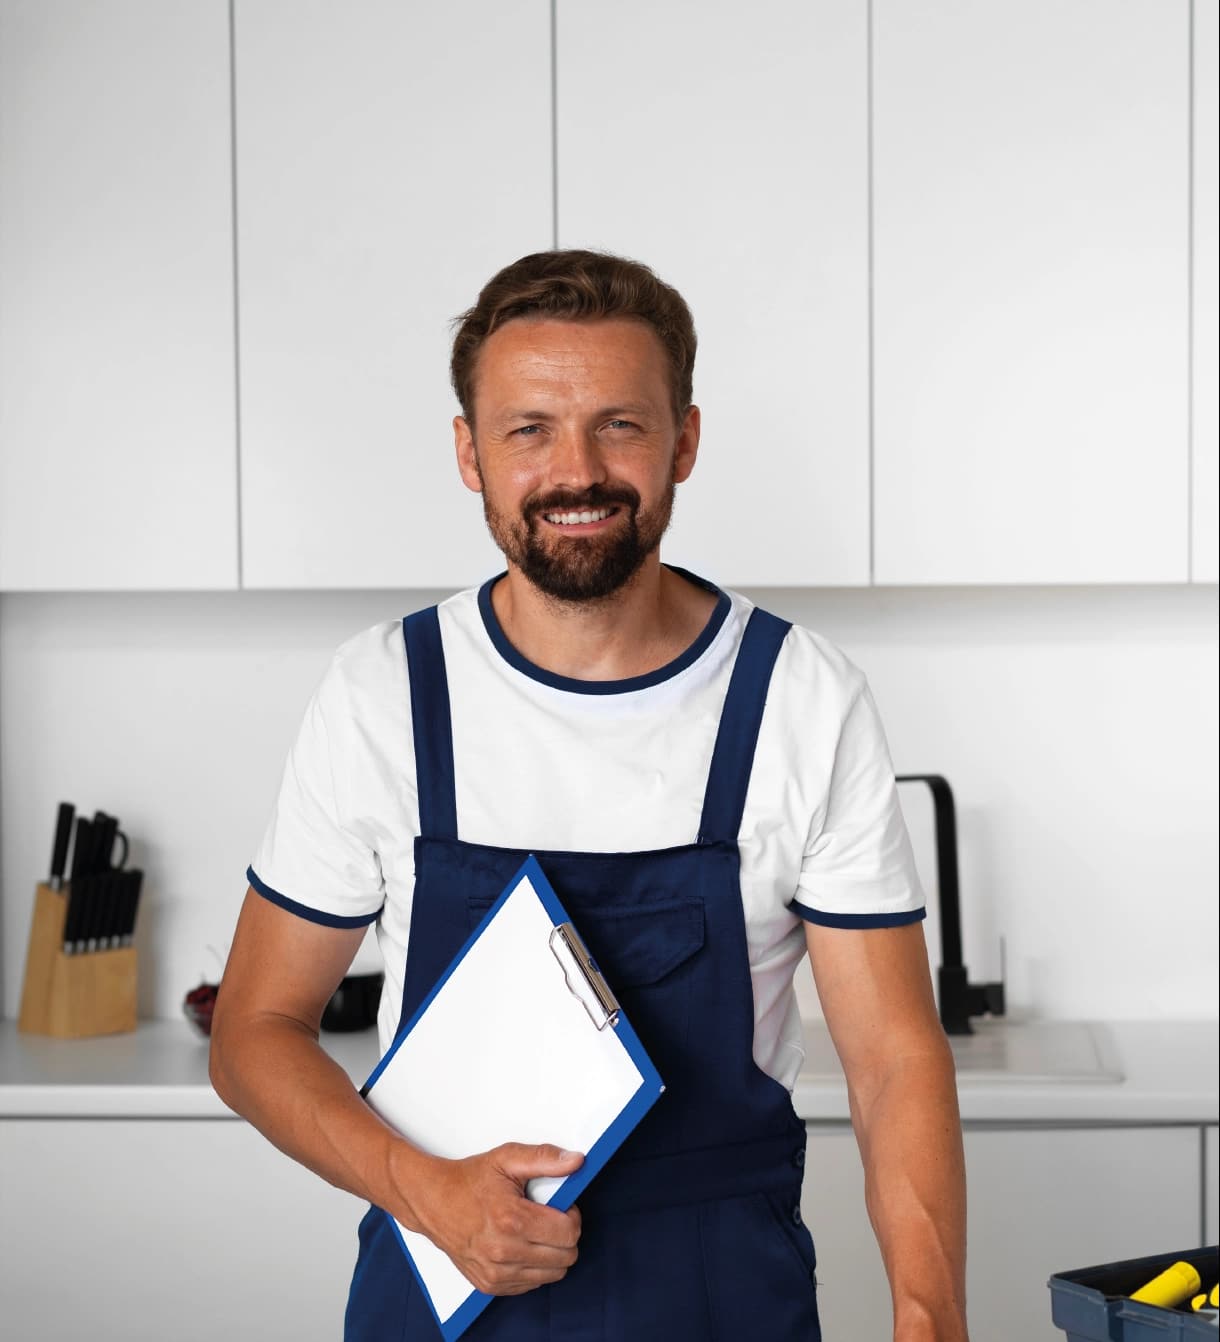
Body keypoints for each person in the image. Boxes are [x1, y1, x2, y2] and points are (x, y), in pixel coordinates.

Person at [210, 249, 969, 1342]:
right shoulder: (383, 693)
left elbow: (894, 1057)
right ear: (470, 453)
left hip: (718, 1293)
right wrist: (425, 1189)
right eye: (528, 429)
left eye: (618, 423)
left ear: (684, 441)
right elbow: (253, 1029)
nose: (576, 471)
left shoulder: (799, 698)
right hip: (443, 1283)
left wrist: (927, 1316)